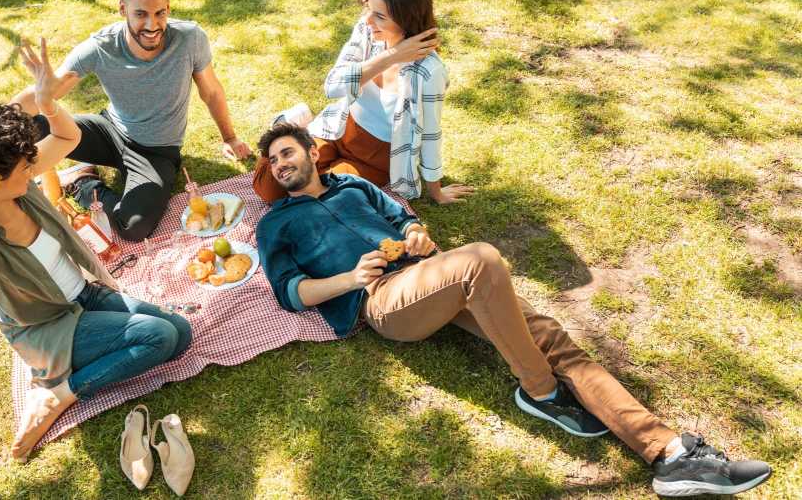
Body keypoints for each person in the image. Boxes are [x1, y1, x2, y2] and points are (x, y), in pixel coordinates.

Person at [254, 123, 771, 497]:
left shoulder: (353, 185)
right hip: (383, 302)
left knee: (550, 335)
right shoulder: (275, 225)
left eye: (286, 152)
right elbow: (291, 293)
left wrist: (414, 233)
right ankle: (542, 391)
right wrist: (350, 278)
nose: (281, 165)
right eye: (274, 162)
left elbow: (405, 219)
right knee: (480, 259)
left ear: (309, 152)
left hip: (431, 274)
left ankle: (670, 454)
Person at [0, 38, 192, 461]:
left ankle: (72, 372)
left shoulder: (16, 184)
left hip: (84, 294)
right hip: (48, 327)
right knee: (156, 337)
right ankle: (60, 392)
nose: (35, 169)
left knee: (181, 335)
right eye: (25, 165)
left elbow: (68, 134)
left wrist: (46, 103)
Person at [11, 0, 252, 242]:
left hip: (156, 152)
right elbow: (48, 92)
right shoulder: (101, 46)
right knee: (27, 125)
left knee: (133, 227)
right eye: (141, 14)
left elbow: (211, 92)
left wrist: (230, 137)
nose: (152, 26)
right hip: (110, 131)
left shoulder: (190, 39)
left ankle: (84, 183)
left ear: (168, 7)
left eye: (160, 13)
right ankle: (57, 175)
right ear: (123, 8)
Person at [252, 0, 472, 204]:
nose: (368, 20)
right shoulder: (368, 31)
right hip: (338, 127)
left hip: (375, 157)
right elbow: (333, 86)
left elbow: (430, 134)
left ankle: (293, 132)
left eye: (379, 15)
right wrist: (392, 55)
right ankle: (285, 126)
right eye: (369, 9)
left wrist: (436, 192)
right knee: (269, 188)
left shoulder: (429, 71)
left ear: (405, 18)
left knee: (317, 197)